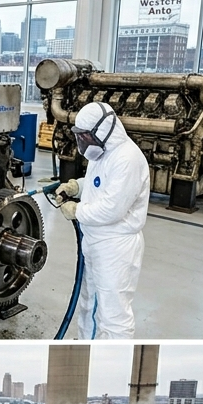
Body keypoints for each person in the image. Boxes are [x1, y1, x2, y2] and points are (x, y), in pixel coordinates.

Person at [56, 101, 150, 340]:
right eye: (80, 136)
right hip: (96, 239)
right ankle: (88, 350)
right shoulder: (102, 151)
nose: (82, 141)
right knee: (90, 303)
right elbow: (99, 184)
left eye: (85, 136)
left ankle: (113, 360)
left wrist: (76, 210)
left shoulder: (127, 158)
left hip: (115, 246)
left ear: (103, 129)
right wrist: (77, 186)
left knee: (113, 315)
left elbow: (112, 209)